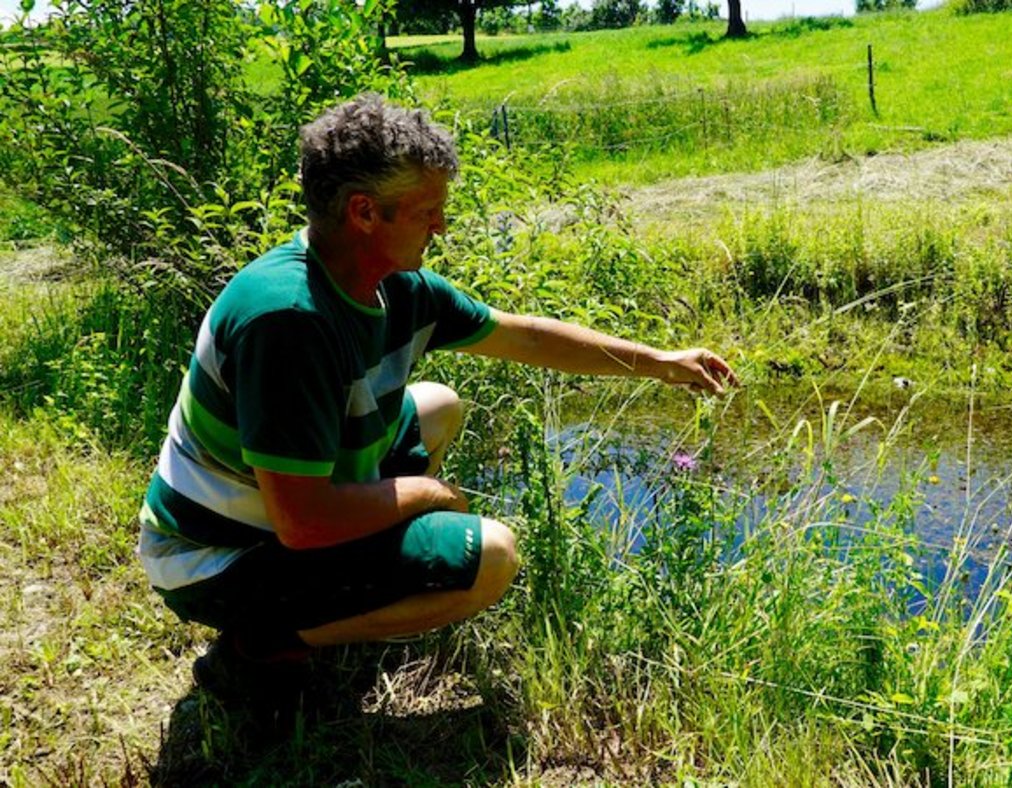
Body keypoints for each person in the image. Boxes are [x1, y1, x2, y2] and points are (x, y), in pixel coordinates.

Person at [136, 93, 738, 704]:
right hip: (217, 556)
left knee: (439, 404)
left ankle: (345, 596)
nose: (442, 226)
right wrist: (429, 495)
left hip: (279, 517)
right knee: (492, 559)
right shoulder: (290, 320)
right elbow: (305, 522)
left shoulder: (393, 286)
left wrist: (660, 364)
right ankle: (260, 642)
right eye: (428, 211)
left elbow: (521, 334)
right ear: (364, 212)